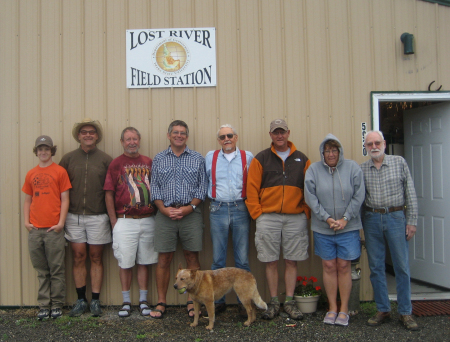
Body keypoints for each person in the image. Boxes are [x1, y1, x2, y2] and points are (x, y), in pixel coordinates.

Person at [246, 118, 311, 320]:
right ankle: (274, 302)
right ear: (271, 135)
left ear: (288, 133)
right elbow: (251, 188)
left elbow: (310, 189)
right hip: (268, 217)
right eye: (276, 132)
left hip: (295, 218)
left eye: (282, 132)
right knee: (270, 260)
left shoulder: (302, 159)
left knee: (291, 260)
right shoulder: (261, 158)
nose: (279, 135)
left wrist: (305, 211)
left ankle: (289, 302)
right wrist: (258, 213)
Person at [304, 133, 365, 326]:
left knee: (344, 266)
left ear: (340, 151)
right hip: (323, 228)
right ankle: (332, 307)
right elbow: (310, 198)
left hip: (348, 227)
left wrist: (345, 219)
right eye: (327, 150)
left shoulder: (352, 168)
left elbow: (359, 195)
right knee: (329, 266)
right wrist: (327, 218)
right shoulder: (313, 170)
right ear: (322, 153)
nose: (331, 154)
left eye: (334, 150)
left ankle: (344, 309)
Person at [361, 130, 419, 331]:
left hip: (396, 218)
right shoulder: (362, 169)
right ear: (366, 146)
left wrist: (411, 221)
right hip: (371, 219)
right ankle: (383, 309)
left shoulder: (399, 162)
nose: (374, 147)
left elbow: (410, 193)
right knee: (376, 267)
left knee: (401, 266)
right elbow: (359, 200)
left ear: (384, 143)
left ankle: (405, 312)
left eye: (377, 142)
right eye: (370, 144)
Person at [150, 120, 207, 318]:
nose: (179, 136)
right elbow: (154, 187)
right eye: (175, 132)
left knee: (192, 258)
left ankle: (193, 300)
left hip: (190, 213)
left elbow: (202, 187)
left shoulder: (198, 158)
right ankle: (161, 301)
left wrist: (189, 207)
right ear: (169, 135)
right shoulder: (158, 159)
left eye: (183, 133)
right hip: (165, 214)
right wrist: (163, 209)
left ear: (187, 137)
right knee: (164, 258)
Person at [60, 118, 113, 317]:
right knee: (79, 256)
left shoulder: (106, 160)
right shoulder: (68, 159)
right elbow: (60, 188)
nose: (88, 135)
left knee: (96, 257)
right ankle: (81, 299)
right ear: (79, 136)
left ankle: (96, 301)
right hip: (73, 216)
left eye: (92, 132)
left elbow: (111, 190)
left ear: (97, 136)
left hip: (98, 216)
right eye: (84, 132)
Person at [104, 127, 158, 317]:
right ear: (122, 142)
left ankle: (143, 300)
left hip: (148, 219)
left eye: (135, 138)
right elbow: (109, 194)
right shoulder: (116, 164)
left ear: (140, 140)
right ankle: (126, 301)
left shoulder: (149, 162)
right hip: (124, 221)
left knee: (145, 261)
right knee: (125, 262)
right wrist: (113, 222)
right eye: (128, 139)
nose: (132, 142)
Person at [205, 124, 254, 316]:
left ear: (236, 137)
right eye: (222, 136)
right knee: (218, 259)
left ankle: (245, 301)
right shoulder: (210, 157)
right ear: (218, 140)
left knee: (242, 260)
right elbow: (204, 180)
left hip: (240, 208)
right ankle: (219, 301)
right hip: (217, 208)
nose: (226, 139)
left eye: (230, 135)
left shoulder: (247, 157)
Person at [22, 135, 71, 320]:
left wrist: (60, 223)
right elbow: (28, 200)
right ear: (36, 152)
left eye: (47, 149)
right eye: (40, 149)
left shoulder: (60, 172)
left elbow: (65, 199)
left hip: (54, 230)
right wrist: (27, 223)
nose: (43, 152)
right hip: (35, 230)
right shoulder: (31, 173)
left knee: (56, 269)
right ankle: (44, 305)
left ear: (52, 151)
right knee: (42, 271)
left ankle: (57, 304)